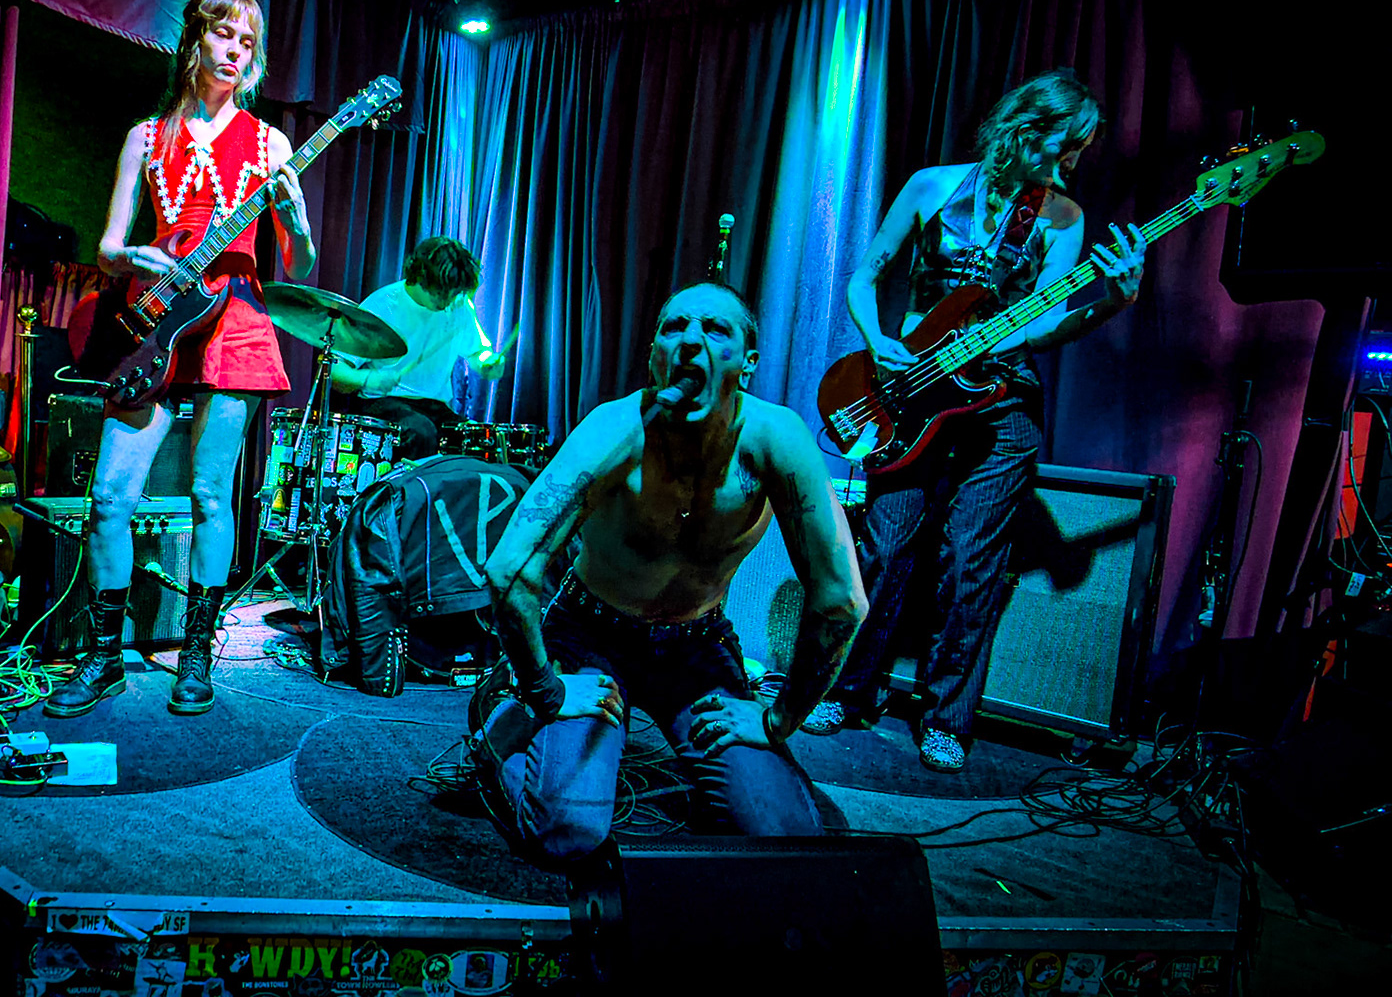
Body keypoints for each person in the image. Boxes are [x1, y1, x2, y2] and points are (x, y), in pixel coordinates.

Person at [800, 70, 1147, 771]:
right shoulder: (932, 186)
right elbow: (864, 278)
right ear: (1025, 127)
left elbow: (1042, 324)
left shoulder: (1061, 218)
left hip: (1002, 399)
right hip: (909, 388)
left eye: (1081, 148)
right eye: (1066, 143)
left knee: (972, 558)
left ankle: (947, 718)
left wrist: (1112, 302)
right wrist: (879, 340)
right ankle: (847, 688)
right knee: (885, 546)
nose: (1073, 159)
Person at [477, 282, 868, 865]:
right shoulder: (615, 429)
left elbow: (842, 601)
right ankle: (500, 729)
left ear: (748, 363)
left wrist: (780, 719)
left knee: (785, 837)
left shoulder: (776, 439)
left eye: (715, 329)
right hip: (590, 635)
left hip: (696, 647)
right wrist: (546, 690)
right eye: (674, 327)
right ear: (654, 356)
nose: (691, 341)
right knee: (568, 832)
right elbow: (509, 569)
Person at [44, 0, 315, 718]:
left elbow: (301, 265)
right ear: (195, 40)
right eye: (226, 34)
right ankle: (102, 656)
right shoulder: (144, 136)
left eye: (249, 42)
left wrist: (295, 218)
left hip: (236, 320)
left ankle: (196, 653)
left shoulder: (270, 143)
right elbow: (107, 246)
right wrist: (135, 257)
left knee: (209, 495)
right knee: (109, 497)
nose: (237, 51)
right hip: (157, 319)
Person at [327, 236, 507, 459]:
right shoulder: (383, 305)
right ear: (421, 276)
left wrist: (488, 362)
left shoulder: (459, 305)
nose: (448, 302)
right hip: (383, 403)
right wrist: (369, 379)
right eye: (441, 292)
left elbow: (478, 352)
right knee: (420, 433)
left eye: (453, 293)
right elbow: (334, 369)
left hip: (435, 407)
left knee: (480, 440)